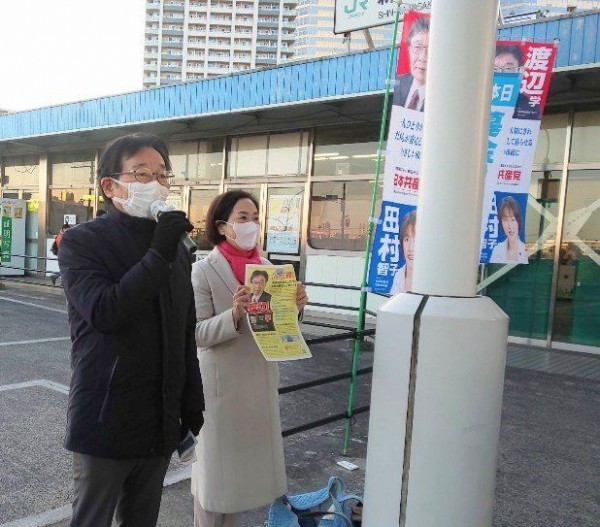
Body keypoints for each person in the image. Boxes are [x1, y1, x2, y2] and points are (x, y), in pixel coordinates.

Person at [58, 133, 205, 527]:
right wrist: (157, 252)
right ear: (110, 185)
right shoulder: (82, 243)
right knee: (92, 519)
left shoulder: (175, 247)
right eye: (142, 173)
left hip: (159, 419)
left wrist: (191, 398)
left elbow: (183, 328)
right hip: (105, 417)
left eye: (162, 174)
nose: (155, 183)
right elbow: (105, 312)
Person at [190, 190, 308, 527]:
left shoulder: (269, 269)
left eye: (255, 217)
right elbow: (197, 333)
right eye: (243, 218)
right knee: (215, 486)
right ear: (223, 226)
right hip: (220, 391)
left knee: (241, 486)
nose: (252, 225)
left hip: (257, 387)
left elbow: (280, 327)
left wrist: (295, 307)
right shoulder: (203, 270)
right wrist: (235, 315)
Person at [494, 44, 542, 120]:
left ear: (520, 71)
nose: (500, 73)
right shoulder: (478, 99)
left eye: (508, 68)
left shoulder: (528, 106)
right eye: (495, 69)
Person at [393, 17, 429, 112]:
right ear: (409, 48)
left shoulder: (443, 92)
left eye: (430, 50)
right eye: (417, 47)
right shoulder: (399, 83)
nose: (422, 57)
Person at [490, 196, 528, 264]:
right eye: (505, 220)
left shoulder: (526, 250)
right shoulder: (497, 250)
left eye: (513, 220)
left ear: (518, 221)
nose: (510, 226)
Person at [390, 210, 416, 295]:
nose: (410, 248)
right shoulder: (399, 275)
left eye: (416, 240)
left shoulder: (430, 279)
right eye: (407, 239)